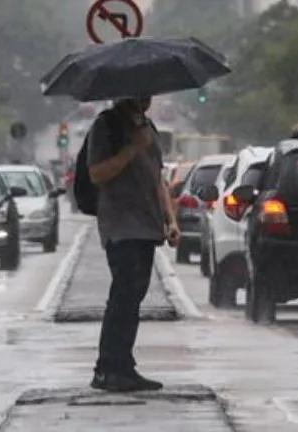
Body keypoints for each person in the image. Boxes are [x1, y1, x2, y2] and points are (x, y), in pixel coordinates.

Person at [85, 96, 181, 393]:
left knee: (134, 297)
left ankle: (124, 365)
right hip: (121, 225)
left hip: (147, 225)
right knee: (123, 295)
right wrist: (131, 149)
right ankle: (107, 368)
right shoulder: (106, 126)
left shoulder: (148, 127)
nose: (147, 98)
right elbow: (96, 174)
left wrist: (170, 218)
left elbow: (157, 179)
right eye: (141, 92)